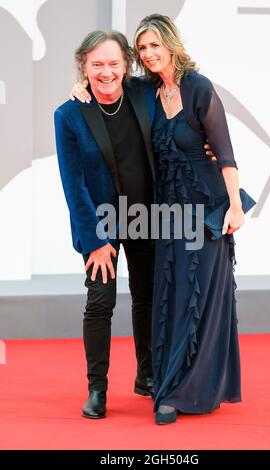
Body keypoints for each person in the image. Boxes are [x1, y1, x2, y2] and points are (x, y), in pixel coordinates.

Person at [56, 29, 215, 420]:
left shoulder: (144, 94)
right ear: (84, 66)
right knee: (100, 302)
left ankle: (147, 375)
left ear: (126, 65)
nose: (106, 72)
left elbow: (181, 109)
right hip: (102, 224)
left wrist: (206, 145)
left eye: (114, 63)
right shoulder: (69, 114)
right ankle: (97, 388)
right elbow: (72, 183)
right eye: (96, 65)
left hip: (148, 215)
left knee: (148, 297)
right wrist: (94, 239)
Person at [133, 14, 245, 424]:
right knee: (172, 294)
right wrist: (80, 88)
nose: (148, 55)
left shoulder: (199, 88)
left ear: (171, 45)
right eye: (142, 49)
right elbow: (105, 86)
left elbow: (226, 154)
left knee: (196, 298)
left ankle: (181, 393)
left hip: (206, 208)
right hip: (168, 213)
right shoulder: (146, 91)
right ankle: (169, 381)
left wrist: (234, 207)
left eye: (154, 46)